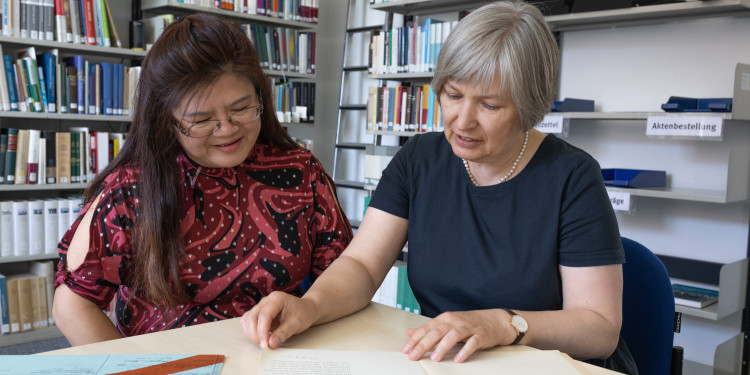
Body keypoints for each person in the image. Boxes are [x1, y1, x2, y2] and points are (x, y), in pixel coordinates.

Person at [240, 1, 638, 373]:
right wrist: (308, 307)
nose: (462, 121)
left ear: (529, 106)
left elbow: (599, 329)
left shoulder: (573, 177)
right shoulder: (419, 159)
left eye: (490, 105)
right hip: (449, 361)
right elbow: (361, 266)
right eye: (453, 95)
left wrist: (504, 324)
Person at [52, 13, 352, 346]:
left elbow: (345, 275)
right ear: (166, 119)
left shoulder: (301, 173)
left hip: (278, 357)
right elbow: (72, 304)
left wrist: (310, 306)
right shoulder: (131, 191)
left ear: (261, 99)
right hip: (167, 366)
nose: (227, 129)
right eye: (202, 119)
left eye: (241, 108)